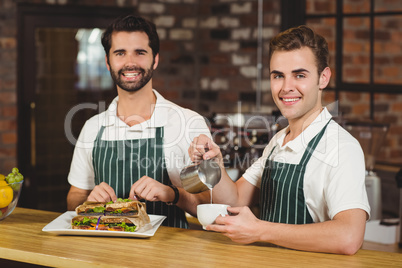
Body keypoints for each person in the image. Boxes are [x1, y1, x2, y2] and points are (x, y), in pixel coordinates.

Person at [189, 25, 370, 254]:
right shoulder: (278, 142)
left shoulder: (341, 147)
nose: (286, 88)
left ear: (323, 78)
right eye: (278, 76)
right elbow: (235, 200)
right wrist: (215, 164)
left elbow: (349, 237)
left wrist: (260, 230)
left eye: (300, 75)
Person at [67, 15, 211, 228]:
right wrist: (88, 202)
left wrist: (172, 194)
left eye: (140, 52)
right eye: (120, 53)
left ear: (155, 59)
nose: (130, 62)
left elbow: (210, 204)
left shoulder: (188, 122)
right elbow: (74, 198)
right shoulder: (93, 128)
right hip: (103, 253)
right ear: (108, 62)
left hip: (168, 256)